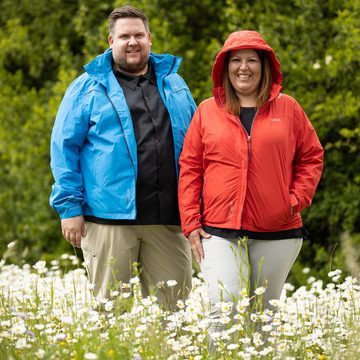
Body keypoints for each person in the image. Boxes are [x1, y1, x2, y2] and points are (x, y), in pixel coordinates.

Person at [50, 6, 196, 308]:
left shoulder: (175, 83)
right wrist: (69, 207)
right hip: (108, 220)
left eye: (138, 35)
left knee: (176, 313)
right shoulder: (86, 87)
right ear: (110, 41)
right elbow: (64, 149)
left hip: (168, 218)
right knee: (111, 312)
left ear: (150, 39)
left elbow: (196, 147)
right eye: (124, 36)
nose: (133, 42)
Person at [178, 31, 324, 326]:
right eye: (236, 60)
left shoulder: (289, 108)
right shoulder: (207, 111)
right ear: (225, 67)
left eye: (251, 60)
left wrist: (295, 200)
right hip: (217, 230)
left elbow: (311, 156)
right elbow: (190, 168)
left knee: (263, 318)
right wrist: (191, 222)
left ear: (264, 66)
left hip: (277, 230)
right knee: (225, 307)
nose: (243, 67)